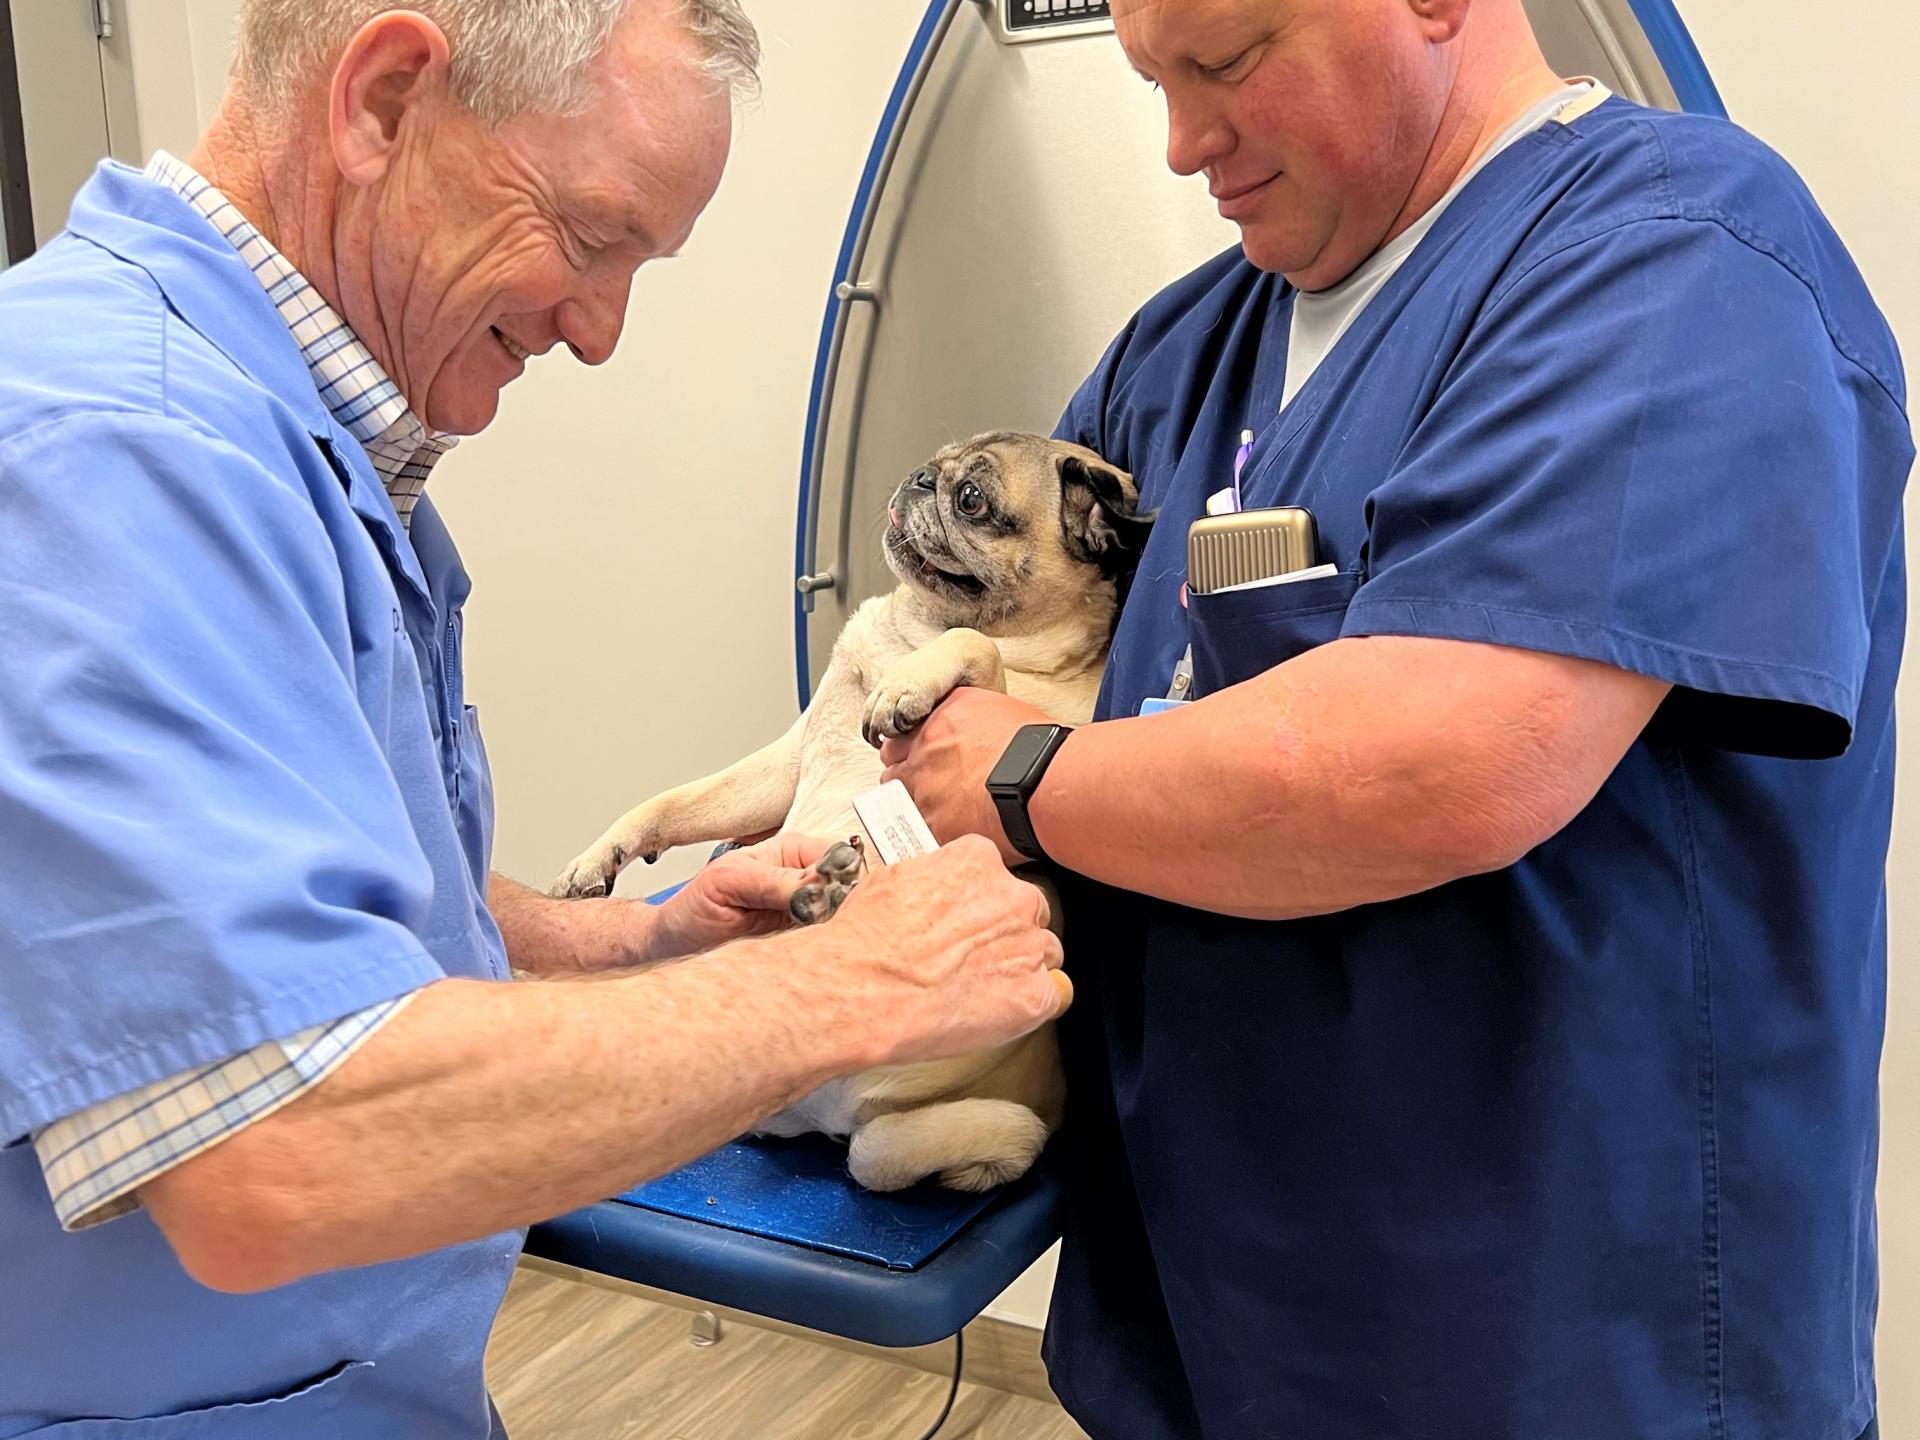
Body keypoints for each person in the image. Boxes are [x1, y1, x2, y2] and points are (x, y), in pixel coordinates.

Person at [0, 2, 1068, 1435]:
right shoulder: (120, 455)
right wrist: (853, 986)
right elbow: (278, 1147)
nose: (599, 329)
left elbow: (279, 900)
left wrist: (620, 941)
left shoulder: (299, 448)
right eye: (592, 236)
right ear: (384, 99)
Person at [883, 1, 1912, 1437]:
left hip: (1555, 1345)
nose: (1182, 144)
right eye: (1153, 81)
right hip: (1207, 1317)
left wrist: (1021, 774)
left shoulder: (1678, 261)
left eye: (1226, 64)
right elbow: (1019, 659)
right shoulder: (1179, 355)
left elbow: (1452, 763)